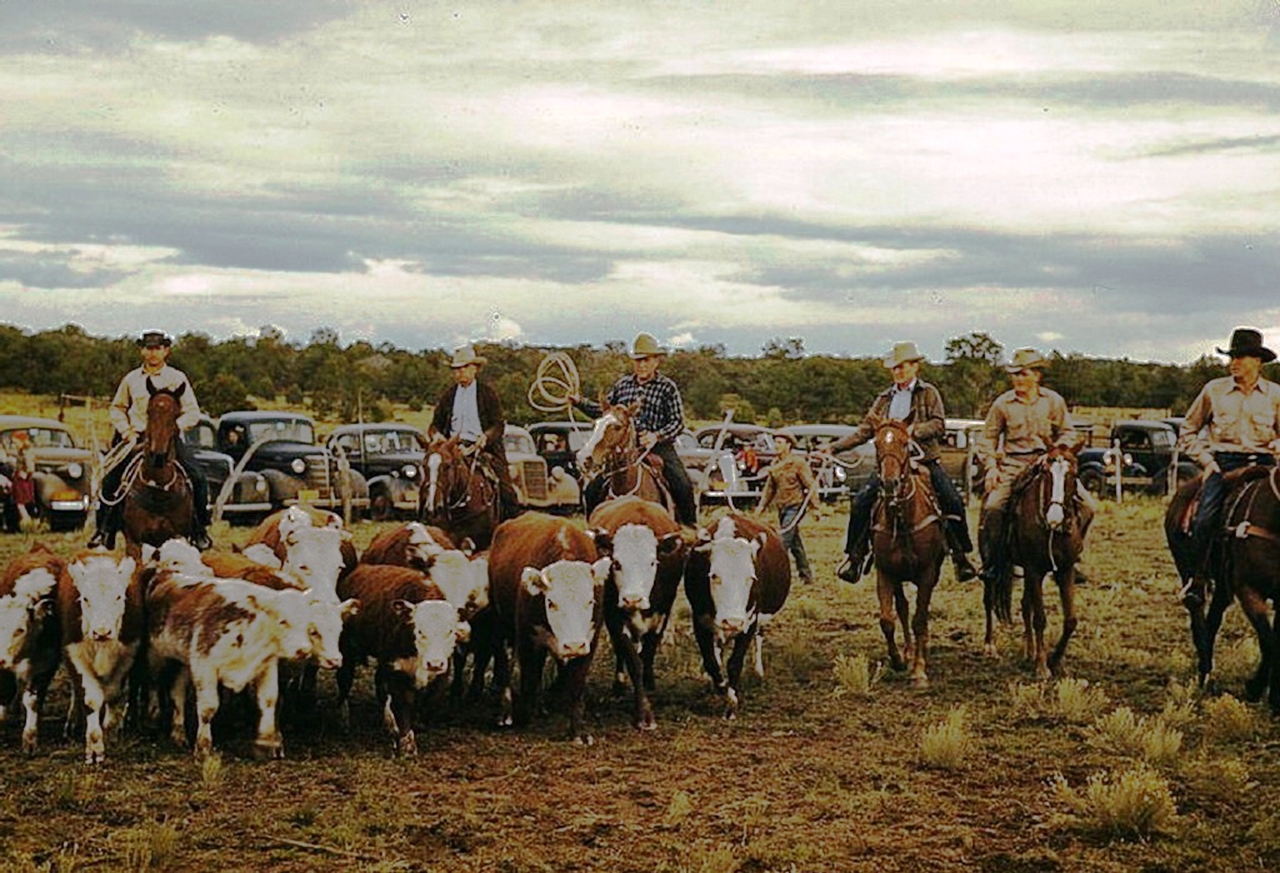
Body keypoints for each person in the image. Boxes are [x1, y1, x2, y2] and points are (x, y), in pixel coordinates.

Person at [824, 341, 978, 583]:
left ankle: (961, 557)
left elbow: (939, 424)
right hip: (891, 463)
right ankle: (854, 558)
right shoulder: (883, 399)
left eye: (903, 367)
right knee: (862, 501)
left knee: (952, 500)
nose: (899, 372)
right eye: (895, 368)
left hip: (924, 460)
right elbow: (865, 430)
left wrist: (913, 431)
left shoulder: (929, 393)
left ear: (915, 367)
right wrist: (833, 447)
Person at [974, 347, 1091, 585]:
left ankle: (1071, 556)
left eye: (1023, 373)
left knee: (1088, 506)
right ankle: (995, 562)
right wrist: (991, 467)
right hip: (1014, 463)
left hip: (1047, 463)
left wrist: (1056, 451)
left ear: (1036, 375)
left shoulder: (1053, 401)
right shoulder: (1003, 404)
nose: (1018, 378)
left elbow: (1068, 432)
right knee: (994, 506)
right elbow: (987, 437)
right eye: (1015, 374)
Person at [89, 329, 211, 550]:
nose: (153, 353)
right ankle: (104, 529)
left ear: (166, 351)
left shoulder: (177, 378)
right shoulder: (131, 379)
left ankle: (200, 529)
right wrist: (126, 431)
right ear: (142, 351)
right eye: (148, 348)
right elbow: (117, 408)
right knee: (111, 479)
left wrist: (174, 429)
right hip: (137, 438)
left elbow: (192, 411)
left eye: (157, 348)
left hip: (169, 439)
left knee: (198, 477)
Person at [1177, 327, 1280, 584]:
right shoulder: (1214, 391)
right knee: (1204, 519)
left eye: (1240, 357)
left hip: (1266, 466)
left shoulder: (1276, 395)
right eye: (1231, 357)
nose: (1233, 363)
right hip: (1224, 466)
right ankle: (1198, 580)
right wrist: (1207, 462)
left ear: (1257, 362)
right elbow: (1187, 430)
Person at [571, 332, 697, 526]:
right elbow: (605, 414)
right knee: (592, 489)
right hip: (625, 448)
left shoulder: (667, 388)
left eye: (646, 360)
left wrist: (656, 436)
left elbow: (678, 422)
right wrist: (580, 402)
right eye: (638, 360)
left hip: (659, 448)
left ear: (656, 361)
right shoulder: (623, 385)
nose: (642, 365)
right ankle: (593, 532)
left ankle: (690, 532)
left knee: (682, 484)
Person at [429, 343, 520, 520]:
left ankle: (511, 526)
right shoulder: (449, 395)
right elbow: (435, 425)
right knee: (433, 479)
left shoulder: (487, 394)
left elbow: (498, 424)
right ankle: (428, 515)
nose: (458, 373)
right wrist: (437, 436)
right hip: (452, 448)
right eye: (455, 369)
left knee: (506, 490)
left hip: (483, 448)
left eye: (463, 368)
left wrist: (485, 437)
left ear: (474, 369)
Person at [757, 431, 820, 584]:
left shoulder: (798, 463)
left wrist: (815, 507)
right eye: (775, 442)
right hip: (782, 507)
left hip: (795, 506)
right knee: (795, 542)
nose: (776, 445)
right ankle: (806, 575)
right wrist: (761, 506)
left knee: (783, 541)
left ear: (788, 445)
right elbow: (770, 488)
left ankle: (775, 576)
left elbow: (810, 484)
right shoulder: (775, 465)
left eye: (779, 442)